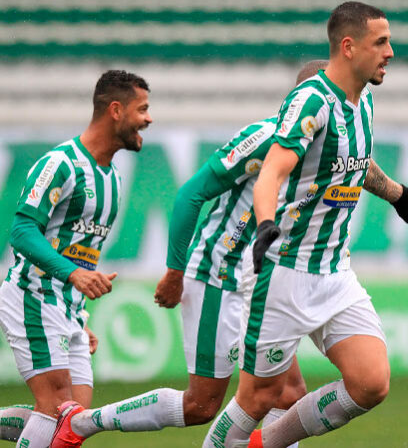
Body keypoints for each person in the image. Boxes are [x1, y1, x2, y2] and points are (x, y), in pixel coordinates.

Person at [49, 60, 330, 448]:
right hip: (220, 277)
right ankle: (82, 423)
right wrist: (175, 271)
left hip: (258, 284)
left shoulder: (330, 149)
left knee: (288, 392)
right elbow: (190, 195)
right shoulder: (267, 138)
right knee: (201, 405)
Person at [201, 1, 408, 448]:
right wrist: (266, 223)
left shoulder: (362, 103)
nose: (391, 52)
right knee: (259, 397)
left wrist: (398, 194)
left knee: (371, 382)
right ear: (349, 47)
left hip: (334, 273)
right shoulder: (310, 99)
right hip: (285, 270)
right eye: (381, 42)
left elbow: (354, 164)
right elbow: (272, 170)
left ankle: (263, 444)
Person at [0, 70, 152, 447]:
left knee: (74, 423)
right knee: (57, 411)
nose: (149, 118)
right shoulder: (61, 164)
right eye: (143, 109)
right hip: (31, 296)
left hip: (66, 309)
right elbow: (21, 231)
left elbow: (77, 251)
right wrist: (73, 277)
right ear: (116, 110)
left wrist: (75, 315)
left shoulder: (113, 178)